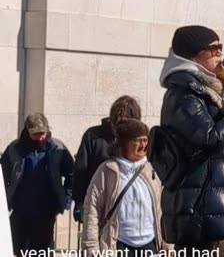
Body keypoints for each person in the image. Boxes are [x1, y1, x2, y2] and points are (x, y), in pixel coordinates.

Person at [158, 25, 224, 254]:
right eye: (213, 49)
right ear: (193, 54)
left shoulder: (207, 91)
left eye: (220, 48)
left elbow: (222, 132)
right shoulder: (183, 94)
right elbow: (211, 138)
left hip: (217, 202)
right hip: (200, 210)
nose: (220, 54)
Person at [82, 118, 170, 256]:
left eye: (146, 140)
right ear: (124, 143)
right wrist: (91, 246)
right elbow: (92, 208)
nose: (143, 145)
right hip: (119, 245)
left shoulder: (152, 169)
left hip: (150, 245)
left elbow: (164, 208)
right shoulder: (107, 170)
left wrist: (167, 243)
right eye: (138, 140)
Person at [1, 113, 74, 256]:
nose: (40, 137)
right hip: (19, 212)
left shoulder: (58, 148)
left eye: (43, 133)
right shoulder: (14, 148)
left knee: (43, 252)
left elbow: (73, 175)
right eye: (36, 134)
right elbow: (2, 176)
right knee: (16, 251)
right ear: (27, 132)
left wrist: (65, 201)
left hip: (46, 213)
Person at [72, 95, 142, 223]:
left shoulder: (140, 140)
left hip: (131, 208)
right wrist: (79, 202)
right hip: (99, 206)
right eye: (118, 120)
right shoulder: (93, 136)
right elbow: (80, 171)